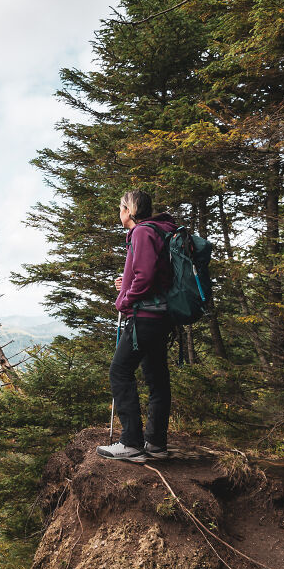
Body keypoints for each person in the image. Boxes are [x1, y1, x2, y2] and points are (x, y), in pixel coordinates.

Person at [96, 189, 177, 461]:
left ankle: (131, 442)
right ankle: (156, 443)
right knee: (156, 378)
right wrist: (126, 284)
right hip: (160, 316)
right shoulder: (158, 231)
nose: (119, 213)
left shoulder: (141, 232)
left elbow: (146, 276)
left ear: (129, 211)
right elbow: (152, 274)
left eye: (121, 208)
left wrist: (124, 300)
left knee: (119, 372)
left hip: (144, 316)